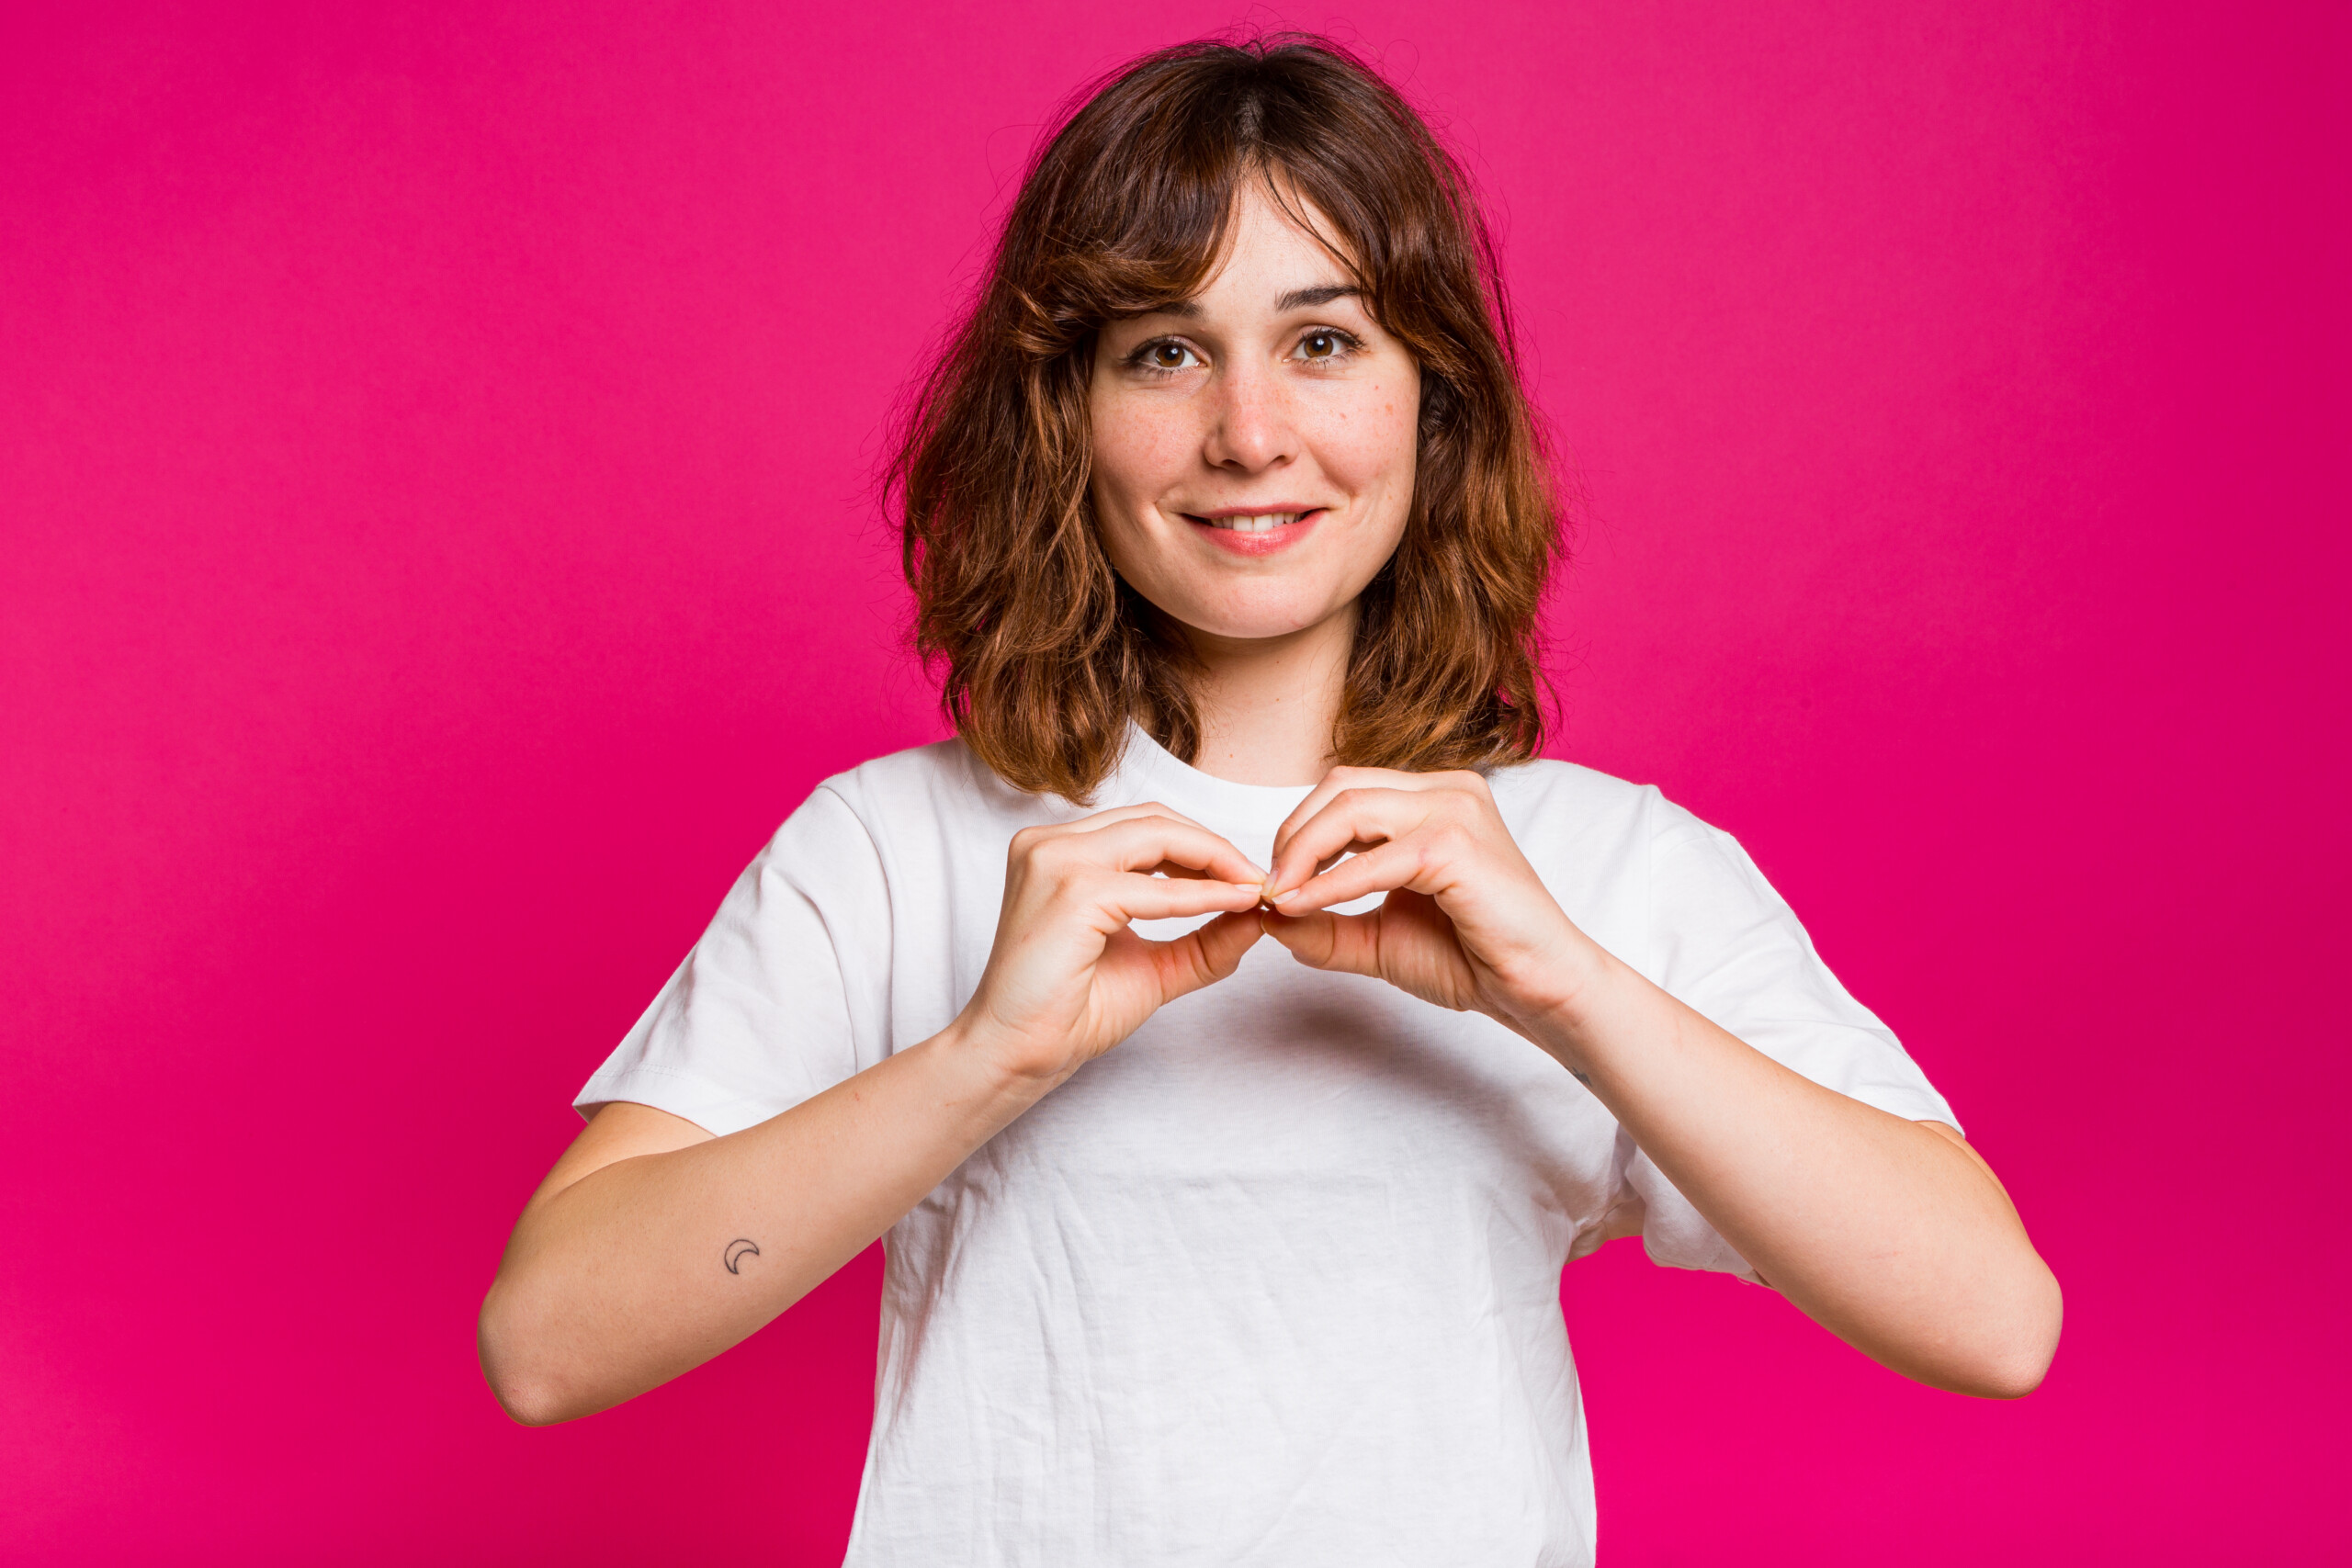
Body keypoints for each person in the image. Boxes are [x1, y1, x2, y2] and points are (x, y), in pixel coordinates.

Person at [478, 34, 2061, 1564]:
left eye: (1324, 341)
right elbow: (550, 1346)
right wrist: (982, 1062)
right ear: (1065, 417)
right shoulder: (886, 854)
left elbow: (1991, 1324)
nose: (1249, 433)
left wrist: (1563, 988)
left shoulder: (1606, 868)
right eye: (1165, 350)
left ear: (1430, 405)